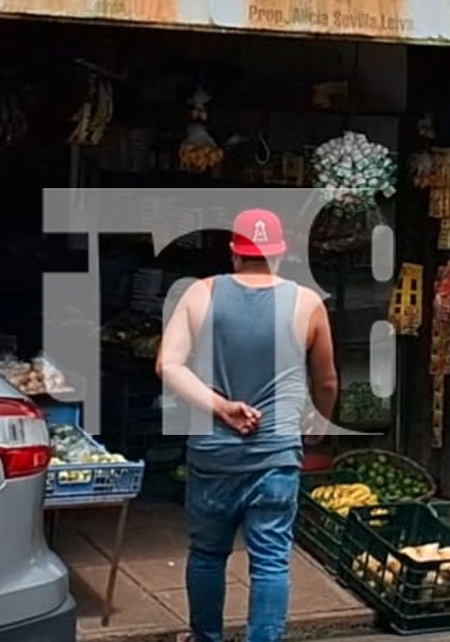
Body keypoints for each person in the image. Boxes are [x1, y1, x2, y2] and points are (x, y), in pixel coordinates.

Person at [157, 209, 339, 642]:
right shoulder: (308, 303)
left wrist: (219, 406)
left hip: (213, 454)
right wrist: (321, 419)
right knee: (271, 560)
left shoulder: (201, 294)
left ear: (234, 254)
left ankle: (206, 637)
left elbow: (167, 364)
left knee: (206, 554)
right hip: (275, 456)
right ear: (279, 255)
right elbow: (328, 379)